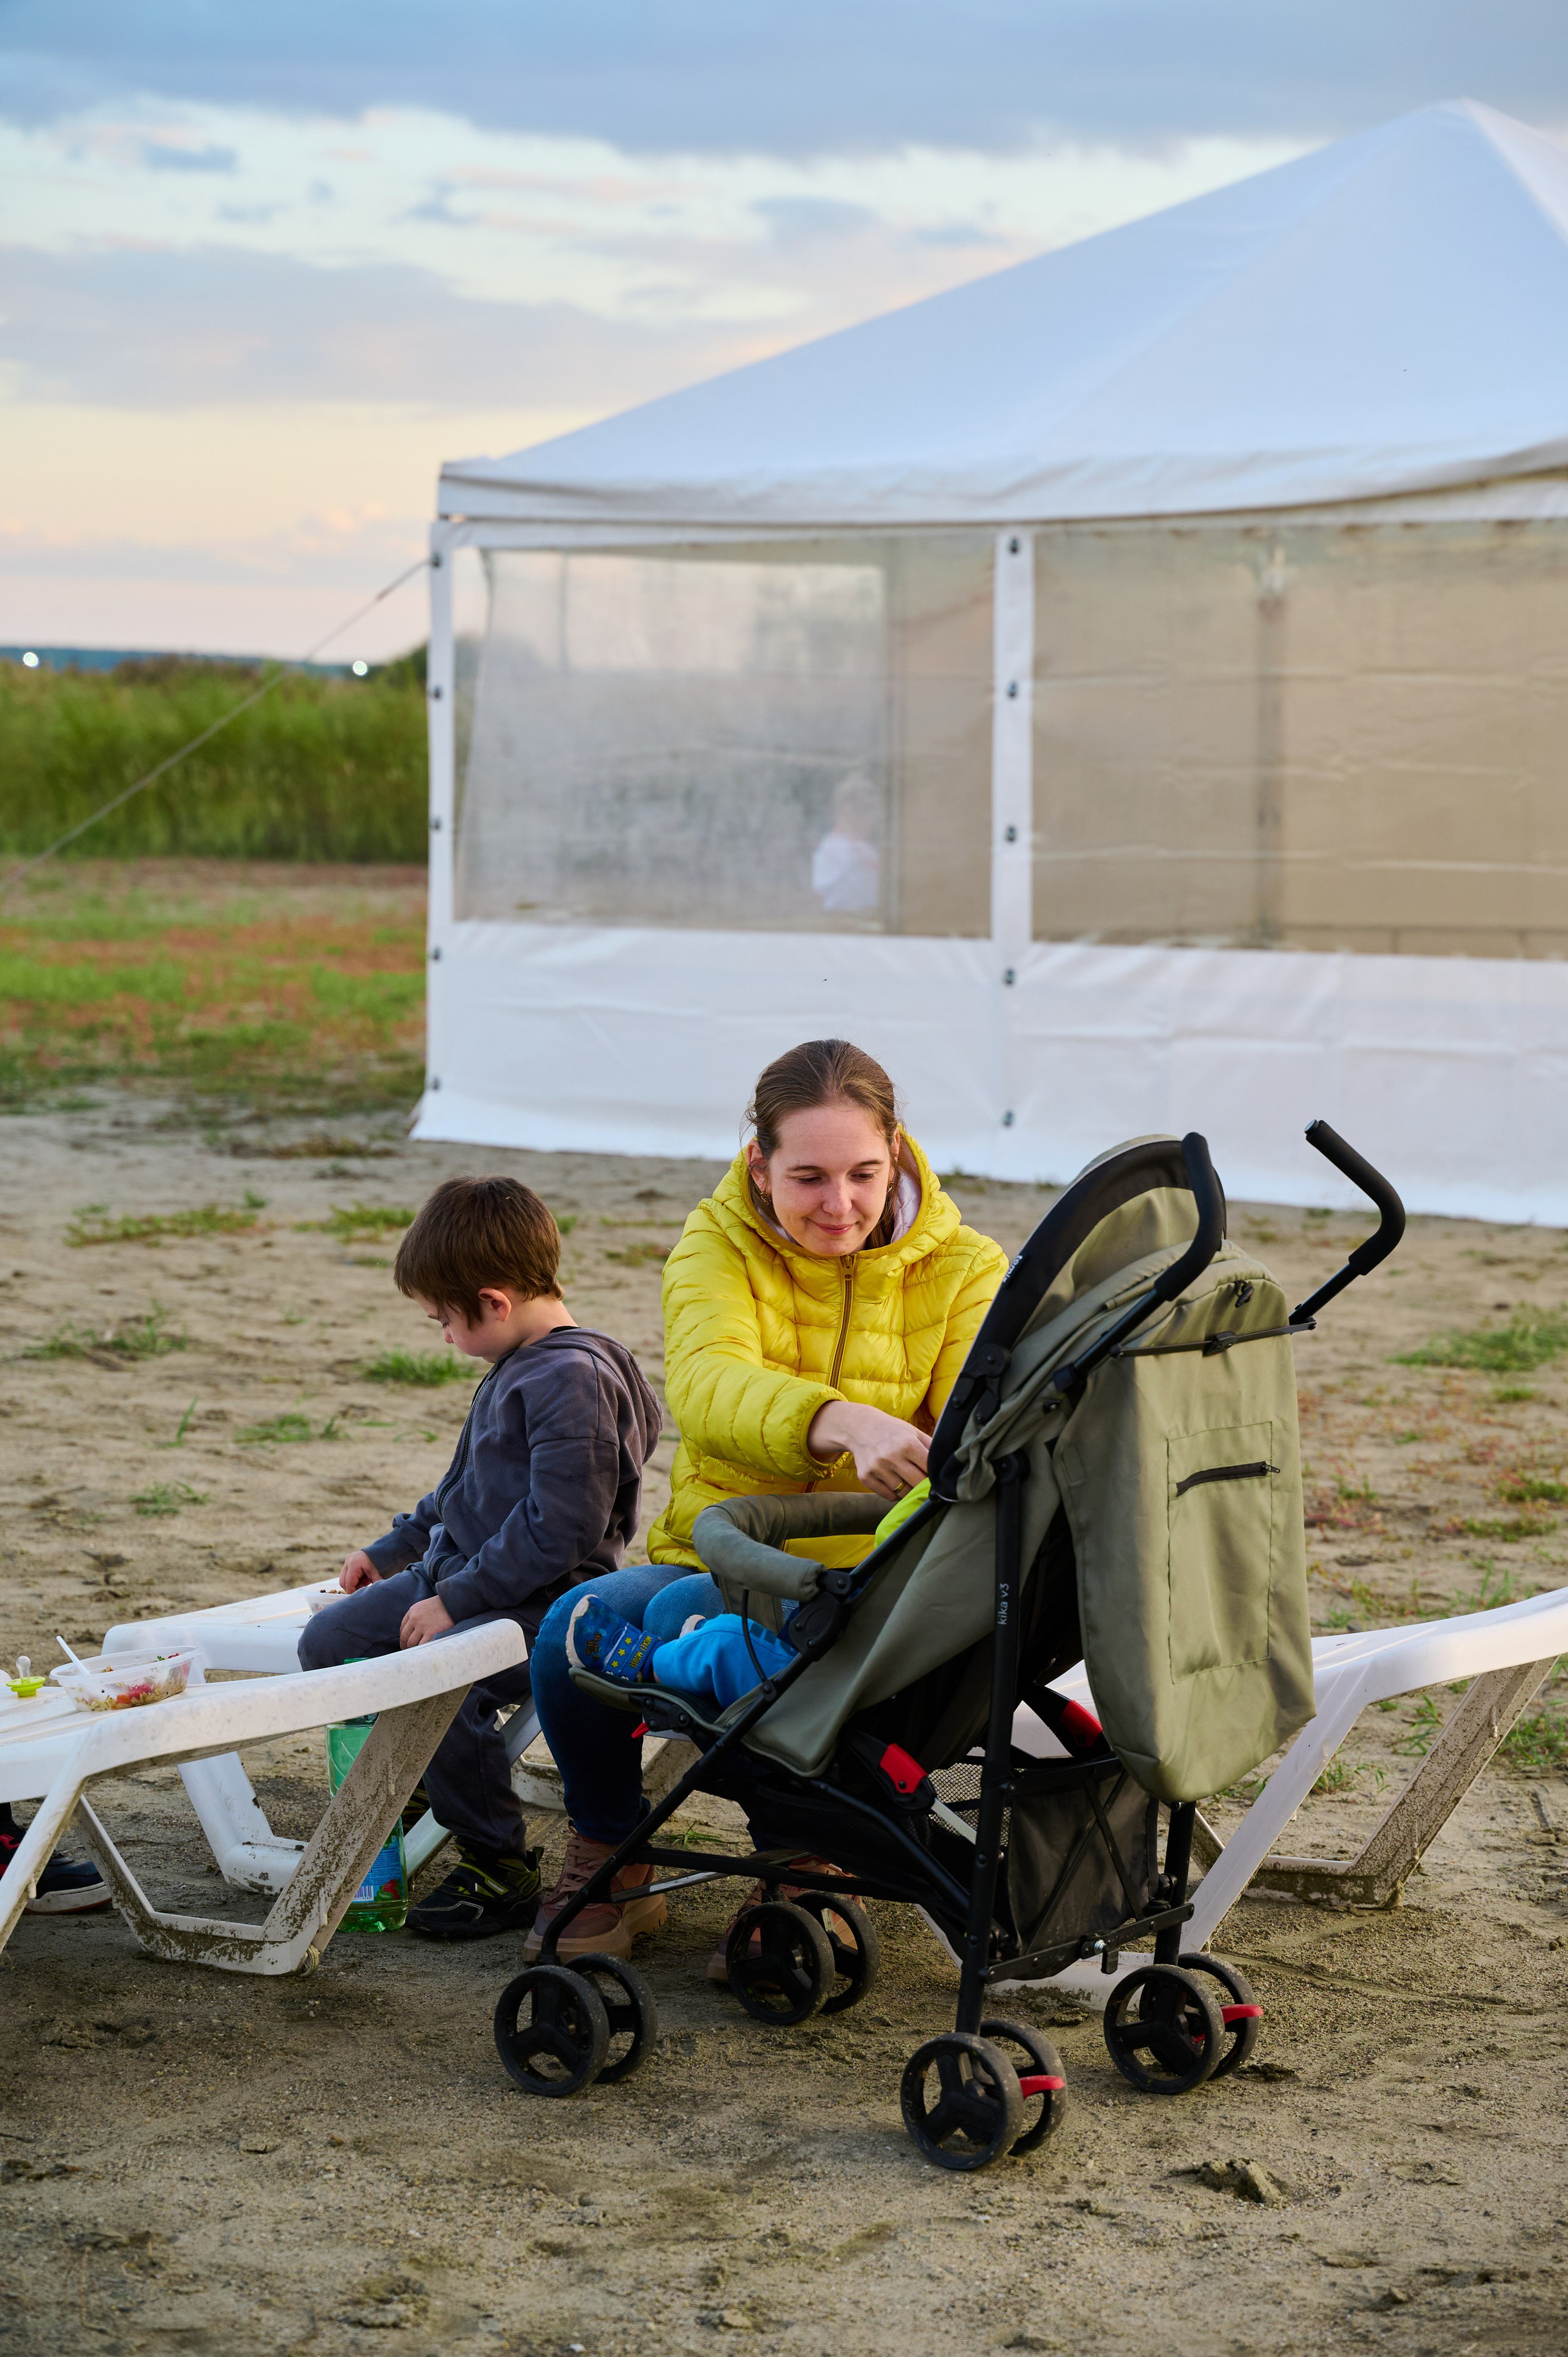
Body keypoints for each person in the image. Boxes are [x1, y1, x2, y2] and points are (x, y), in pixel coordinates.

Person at [524, 1037, 1008, 1967]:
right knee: (572, 1631)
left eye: (863, 1174)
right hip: (722, 1555)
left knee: (716, 1633)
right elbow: (706, 1387)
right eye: (808, 1178)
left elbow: (981, 1438)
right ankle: (610, 1845)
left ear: (896, 1152)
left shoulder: (968, 1267)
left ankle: (801, 1852)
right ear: (760, 1164)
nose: (840, 1204)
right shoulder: (716, 1244)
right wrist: (841, 1420)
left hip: (876, 1585)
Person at [298, 1175, 660, 1941]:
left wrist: (456, 1600)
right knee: (330, 1641)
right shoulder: (522, 1359)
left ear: (494, 1302)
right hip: (459, 1577)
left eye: (444, 1320)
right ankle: (416, 1780)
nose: (443, 1335)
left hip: (540, 1603)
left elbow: (561, 1527)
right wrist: (395, 1547)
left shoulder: (572, 1378)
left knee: (438, 1685)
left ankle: (499, 1861)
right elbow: (465, 1489)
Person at [810, 772, 881, 915]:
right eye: (865, 810)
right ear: (847, 810)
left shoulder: (865, 849)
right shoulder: (832, 850)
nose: (872, 820)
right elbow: (826, 894)